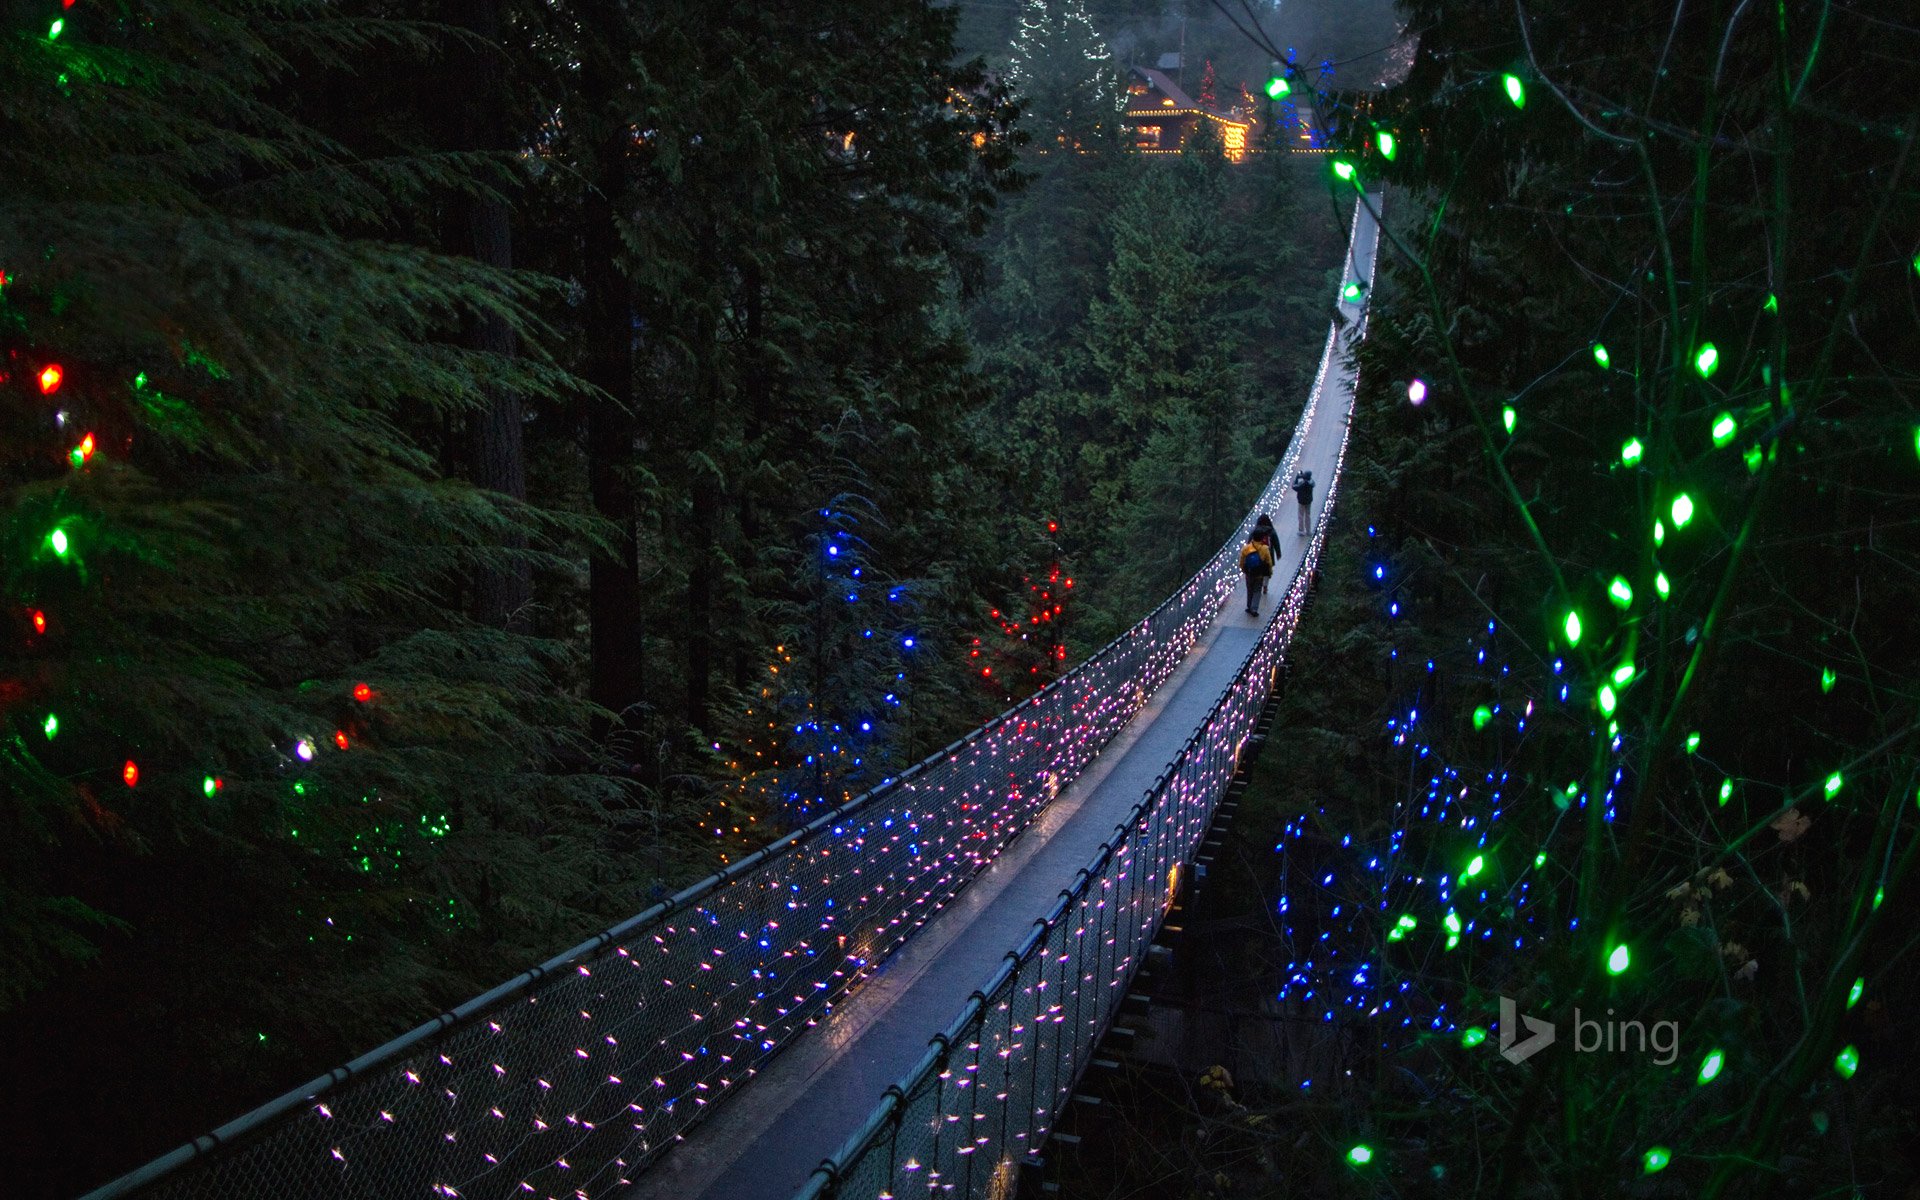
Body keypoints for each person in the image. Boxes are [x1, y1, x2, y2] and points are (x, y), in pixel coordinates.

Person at [1240, 528, 1274, 616]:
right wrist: (1269, 573)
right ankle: (1254, 609)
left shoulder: (1246, 548)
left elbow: (1242, 561)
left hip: (1249, 573)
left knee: (1250, 589)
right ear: (1262, 538)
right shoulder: (1265, 548)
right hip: (1259, 574)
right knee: (1257, 590)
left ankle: (1249, 606)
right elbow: (1269, 562)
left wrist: (1244, 570)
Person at [1252, 514, 1279, 597]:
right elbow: (1276, 542)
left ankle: (1258, 585)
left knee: (1259, 571)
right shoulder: (1271, 530)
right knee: (1267, 572)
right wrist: (1278, 553)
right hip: (1268, 555)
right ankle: (1265, 586)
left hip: (1257, 555)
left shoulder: (1256, 530)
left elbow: (1249, 541)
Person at [1293, 470, 1315, 534]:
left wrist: (1297, 478)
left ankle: (1301, 530)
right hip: (1309, 501)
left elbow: (1294, 486)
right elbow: (1310, 480)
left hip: (1301, 501)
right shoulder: (1311, 483)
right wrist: (1304, 477)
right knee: (1308, 515)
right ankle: (1308, 530)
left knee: (1301, 515)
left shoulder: (1302, 484)